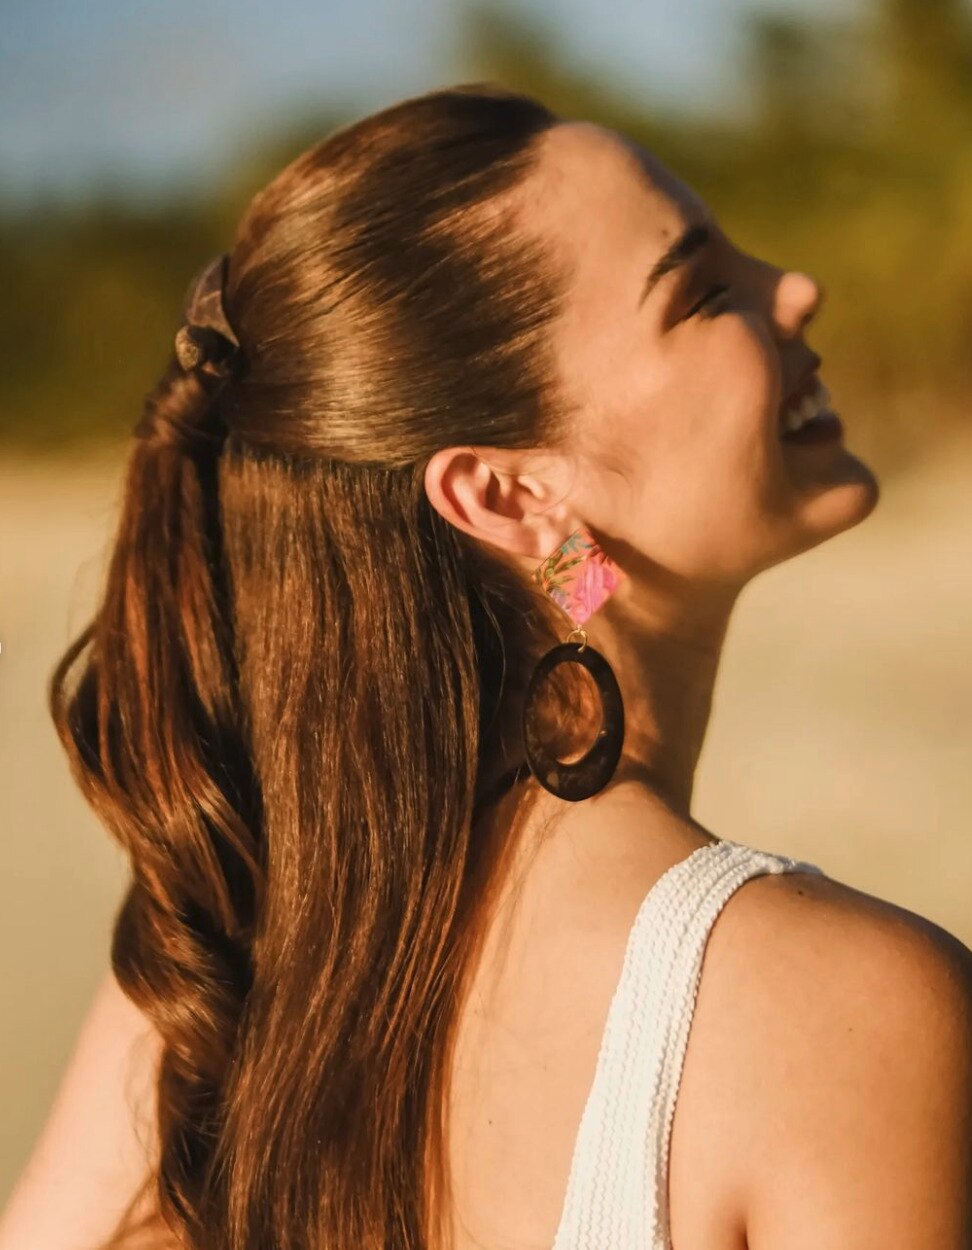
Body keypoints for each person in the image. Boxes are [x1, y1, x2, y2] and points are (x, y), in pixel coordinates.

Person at [2, 82, 970, 1250]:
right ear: (510, 493)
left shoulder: (216, 972)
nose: (794, 285)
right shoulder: (837, 1014)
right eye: (705, 291)